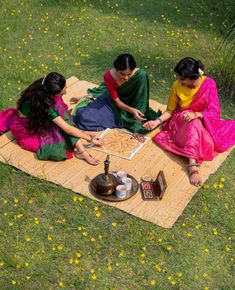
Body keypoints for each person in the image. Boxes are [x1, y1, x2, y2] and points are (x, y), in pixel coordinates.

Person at [143, 57, 235, 187]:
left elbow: (214, 112)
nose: (179, 81)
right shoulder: (177, 86)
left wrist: (197, 114)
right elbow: (170, 111)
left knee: (214, 129)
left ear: (193, 77)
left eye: (182, 79)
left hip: (202, 120)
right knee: (192, 124)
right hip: (180, 121)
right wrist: (156, 122)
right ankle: (193, 168)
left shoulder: (209, 84)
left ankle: (194, 150)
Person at [0, 72, 103, 165]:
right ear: (50, 94)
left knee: (61, 112)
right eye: (62, 92)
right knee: (57, 148)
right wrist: (90, 139)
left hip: (37, 117)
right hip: (26, 129)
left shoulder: (43, 86)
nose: (66, 93)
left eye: (65, 88)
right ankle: (81, 151)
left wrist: (82, 133)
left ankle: (81, 150)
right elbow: (68, 129)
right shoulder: (45, 106)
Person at [71, 53, 161, 138]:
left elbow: (142, 100)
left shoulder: (141, 75)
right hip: (114, 104)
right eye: (122, 74)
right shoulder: (109, 76)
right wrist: (131, 110)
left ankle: (91, 97)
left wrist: (137, 125)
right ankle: (87, 98)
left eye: (129, 74)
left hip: (134, 105)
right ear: (116, 69)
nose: (126, 78)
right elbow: (117, 101)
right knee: (82, 117)